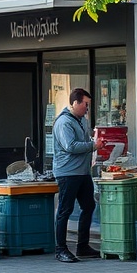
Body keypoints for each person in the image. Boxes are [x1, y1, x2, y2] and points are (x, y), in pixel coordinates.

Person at [52, 87, 106, 263]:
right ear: (75, 103)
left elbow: (84, 141)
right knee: (65, 210)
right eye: (85, 104)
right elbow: (71, 146)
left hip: (83, 172)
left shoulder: (82, 120)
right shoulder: (64, 122)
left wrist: (94, 144)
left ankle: (82, 245)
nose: (87, 108)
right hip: (68, 172)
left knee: (89, 206)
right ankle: (61, 249)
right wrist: (93, 146)